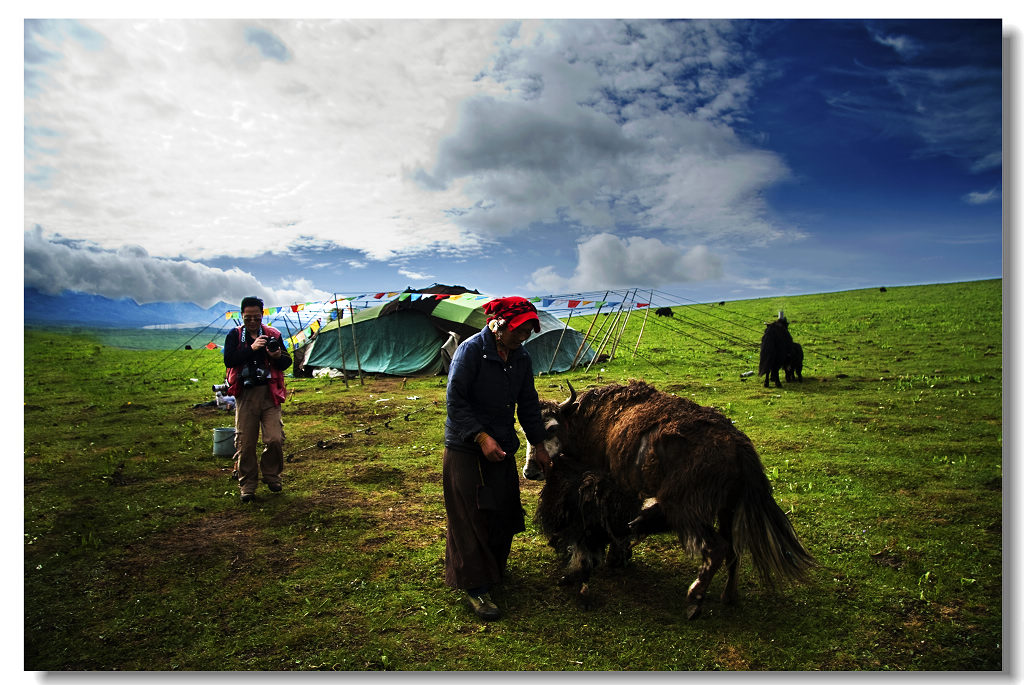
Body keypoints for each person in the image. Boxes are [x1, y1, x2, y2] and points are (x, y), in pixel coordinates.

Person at [442, 296, 553, 621]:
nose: (524, 337)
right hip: (466, 447)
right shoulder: (472, 352)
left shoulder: (521, 358)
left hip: (502, 445)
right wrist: (481, 436)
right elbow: (455, 401)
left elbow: (529, 404)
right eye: (519, 330)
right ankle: (475, 588)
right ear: (498, 325)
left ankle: (491, 572)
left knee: (503, 511)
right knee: (471, 516)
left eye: (529, 331)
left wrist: (539, 445)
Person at [223, 296, 292, 503]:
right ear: (241, 316)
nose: (252, 321)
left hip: (269, 393)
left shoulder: (273, 334)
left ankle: (272, 476)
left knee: (274, 438)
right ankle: (248, 485)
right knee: (246, 442)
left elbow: (286, 362)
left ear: (262, 316)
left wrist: (277, 355)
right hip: (245, 394)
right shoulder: (235, 335)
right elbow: (229, 360)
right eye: (248, 317)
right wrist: (251, 349)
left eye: (256, 317)